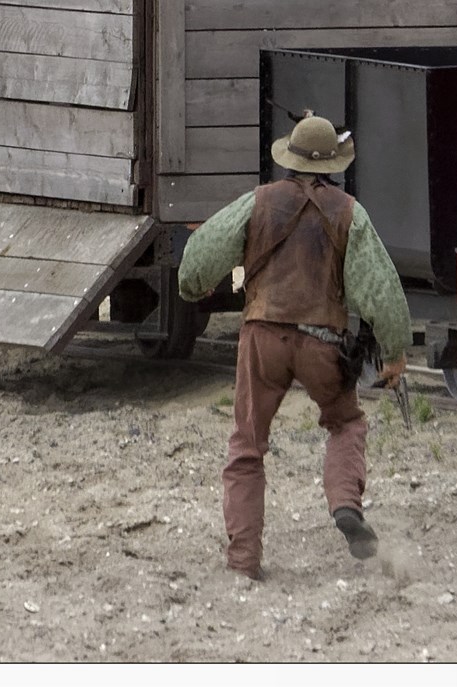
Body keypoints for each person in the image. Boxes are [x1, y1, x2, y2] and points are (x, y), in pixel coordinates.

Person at [175, 113, 412, 580]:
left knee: (247, 445)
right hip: (324, 343)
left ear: (290, 157)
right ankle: (345, 504)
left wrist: (192, 287)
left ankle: (244, 562)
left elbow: (200, 256)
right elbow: (381, 290)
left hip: (262, 337)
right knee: (346, 424)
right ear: (334, 166)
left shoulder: (257, 202)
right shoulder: (350, 213)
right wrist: (397, 351)